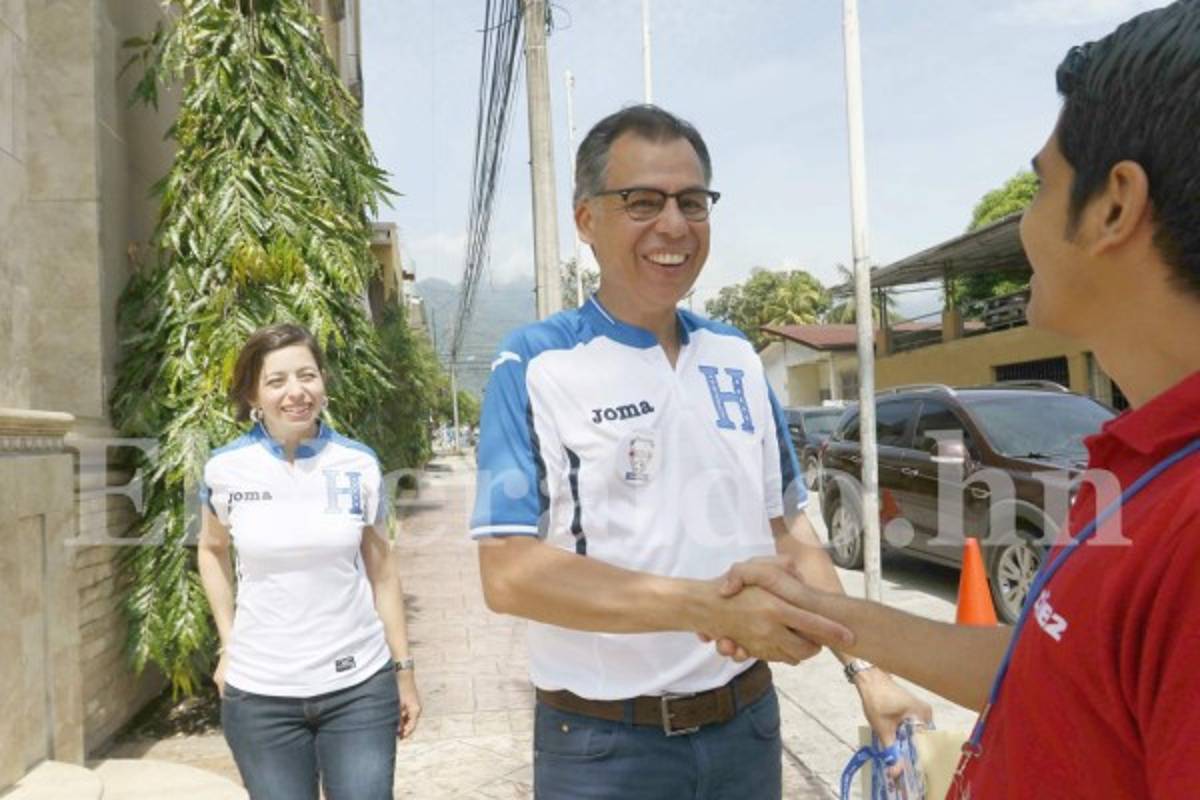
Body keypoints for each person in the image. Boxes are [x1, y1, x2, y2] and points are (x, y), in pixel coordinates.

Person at [714, 3, 1200, 797]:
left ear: (1115, 205)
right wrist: (820, 613)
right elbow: (1053, 664)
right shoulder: (1142, 461)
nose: (1025, 223)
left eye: (1042, 186)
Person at [471, 105, 930, 799]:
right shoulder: (535, 363)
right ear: (587, 220)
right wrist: (707, 609)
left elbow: (790, 530)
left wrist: (867, 672)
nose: (674, 225)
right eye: (642, 202)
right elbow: (508, 574)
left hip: (745, 728)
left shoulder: (737, 358)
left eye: (692, 202)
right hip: (602, 749)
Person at [197, 323, 421, 800]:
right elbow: (211, 550)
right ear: (253, 393)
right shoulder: (225, 469)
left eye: (307, 375)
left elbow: (383, 569)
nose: (296, 392)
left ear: (323, 381)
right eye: (277, 381)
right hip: (260, 696)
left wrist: (403, 671)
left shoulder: (357, 464)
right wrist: (228, 644)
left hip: (359, 686)